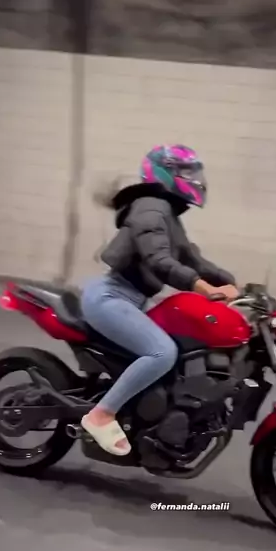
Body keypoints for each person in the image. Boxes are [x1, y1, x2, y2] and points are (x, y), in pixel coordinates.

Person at [80, 144, 239, 456]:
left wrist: (233, 283)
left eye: (194, 172)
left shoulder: (166, 212)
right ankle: (101, 415)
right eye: (186, 172)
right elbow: (159, 260)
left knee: (184, 343)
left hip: (132, 298)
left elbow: (192, 259)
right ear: (164, 173)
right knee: (162, 352)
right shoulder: (149, 208)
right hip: (112, 296)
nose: (194, 179)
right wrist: (202, 288)